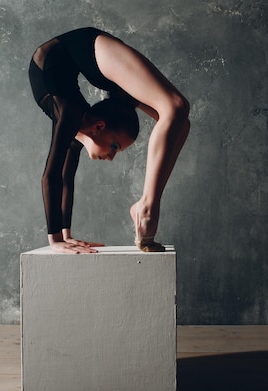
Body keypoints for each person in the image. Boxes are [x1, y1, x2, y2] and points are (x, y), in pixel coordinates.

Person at [28, 27, 190, 254]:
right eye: (115, 146)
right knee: (177, 109)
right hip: (82, 50)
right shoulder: (72, 119)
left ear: (98, 126)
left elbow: (59, 177)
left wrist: (62, 236)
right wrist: (60, 238)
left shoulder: (73, 117)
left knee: (180, 117)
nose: (112, 157)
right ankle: (147, 207)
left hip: (85, 52)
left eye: (115, 149)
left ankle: (146, 205)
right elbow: (55, 176)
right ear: (99, 126)